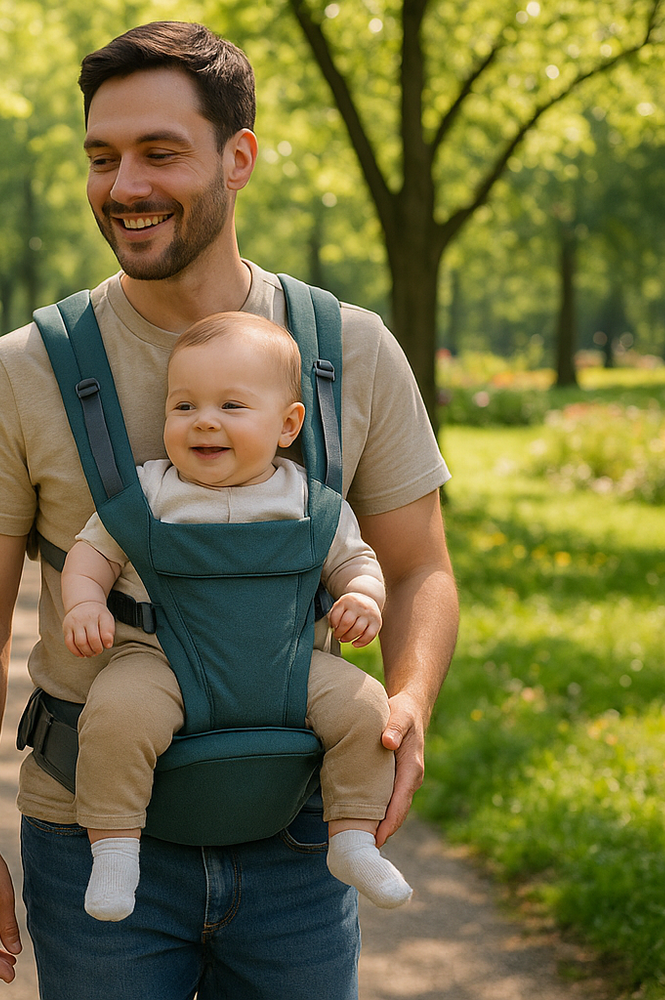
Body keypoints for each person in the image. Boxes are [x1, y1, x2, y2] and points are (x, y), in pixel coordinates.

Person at [0, 21, 457, 999]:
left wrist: (408, 700)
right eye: (102, 157)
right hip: (91, 828)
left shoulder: (350, 351)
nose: (124, 185)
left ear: (239, 157)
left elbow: (419, 564)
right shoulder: (25, 370)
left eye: (159, 153)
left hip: (296, 827)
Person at [60, 312, 412, 921]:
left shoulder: (307, 500)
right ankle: (115, 847)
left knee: (366, 710)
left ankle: (352, 839)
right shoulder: (151, 491)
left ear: (288, 425)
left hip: (287, 665)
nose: (204, 420)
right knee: (114, 717)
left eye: (231, 406)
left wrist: (362, 598)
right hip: (164, 661)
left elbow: (356, 560)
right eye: (183, 406)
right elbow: (91, 553)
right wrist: (86, 602)